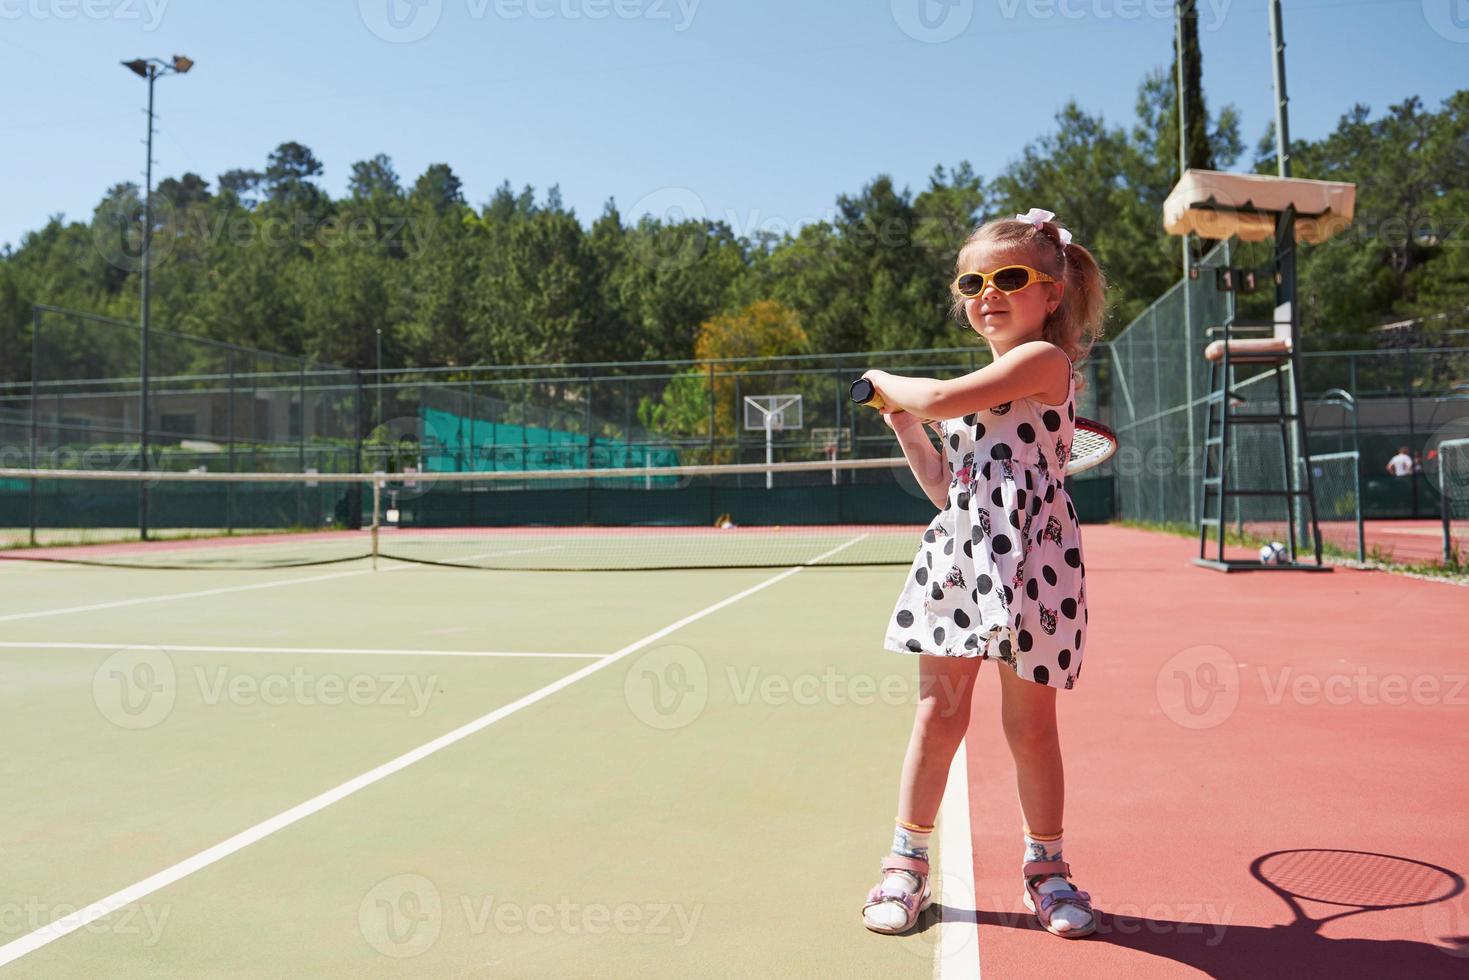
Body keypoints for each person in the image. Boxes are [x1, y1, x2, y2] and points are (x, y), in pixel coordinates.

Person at [857, 208, 1105, 940]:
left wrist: (885, 384)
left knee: (1029, 727)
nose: (986, 293)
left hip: (1036, 561)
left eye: (1008, 278)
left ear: (1051, 295)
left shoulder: (1044, 363)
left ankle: (1047, 869)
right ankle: (904, 864)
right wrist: (902, 423)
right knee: (938, 717)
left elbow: (932, 397)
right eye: (973, 280)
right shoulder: (973, 388)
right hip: (960, 557)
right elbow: (944, 486)